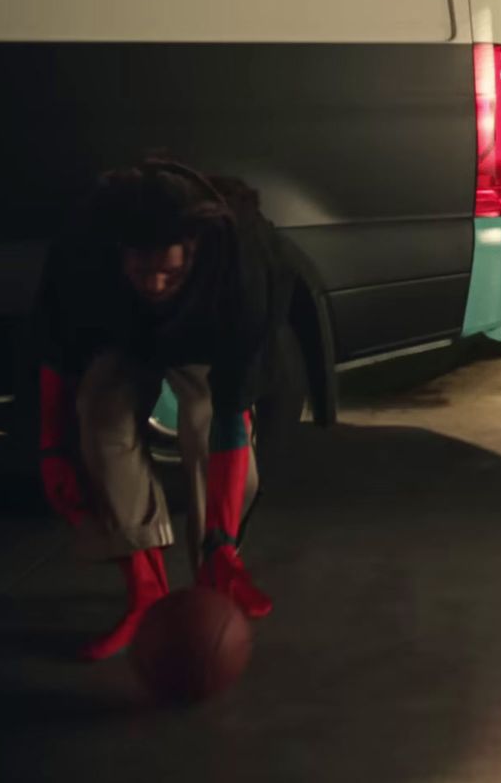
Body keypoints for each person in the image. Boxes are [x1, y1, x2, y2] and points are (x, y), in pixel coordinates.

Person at [33, 157, 301, 660]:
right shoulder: (82, 252)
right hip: (122, 336)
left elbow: (230, 409)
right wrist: (51, 449)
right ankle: (145, 592)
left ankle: (214, 575)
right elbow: (57, 351)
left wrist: (220, 539)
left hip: (204, 337)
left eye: (168, 272)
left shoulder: (242, 262)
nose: (154, 284)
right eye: (141, 270)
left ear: (195, 252)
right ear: (119, 254)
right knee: (99, 412)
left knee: (205, 420)